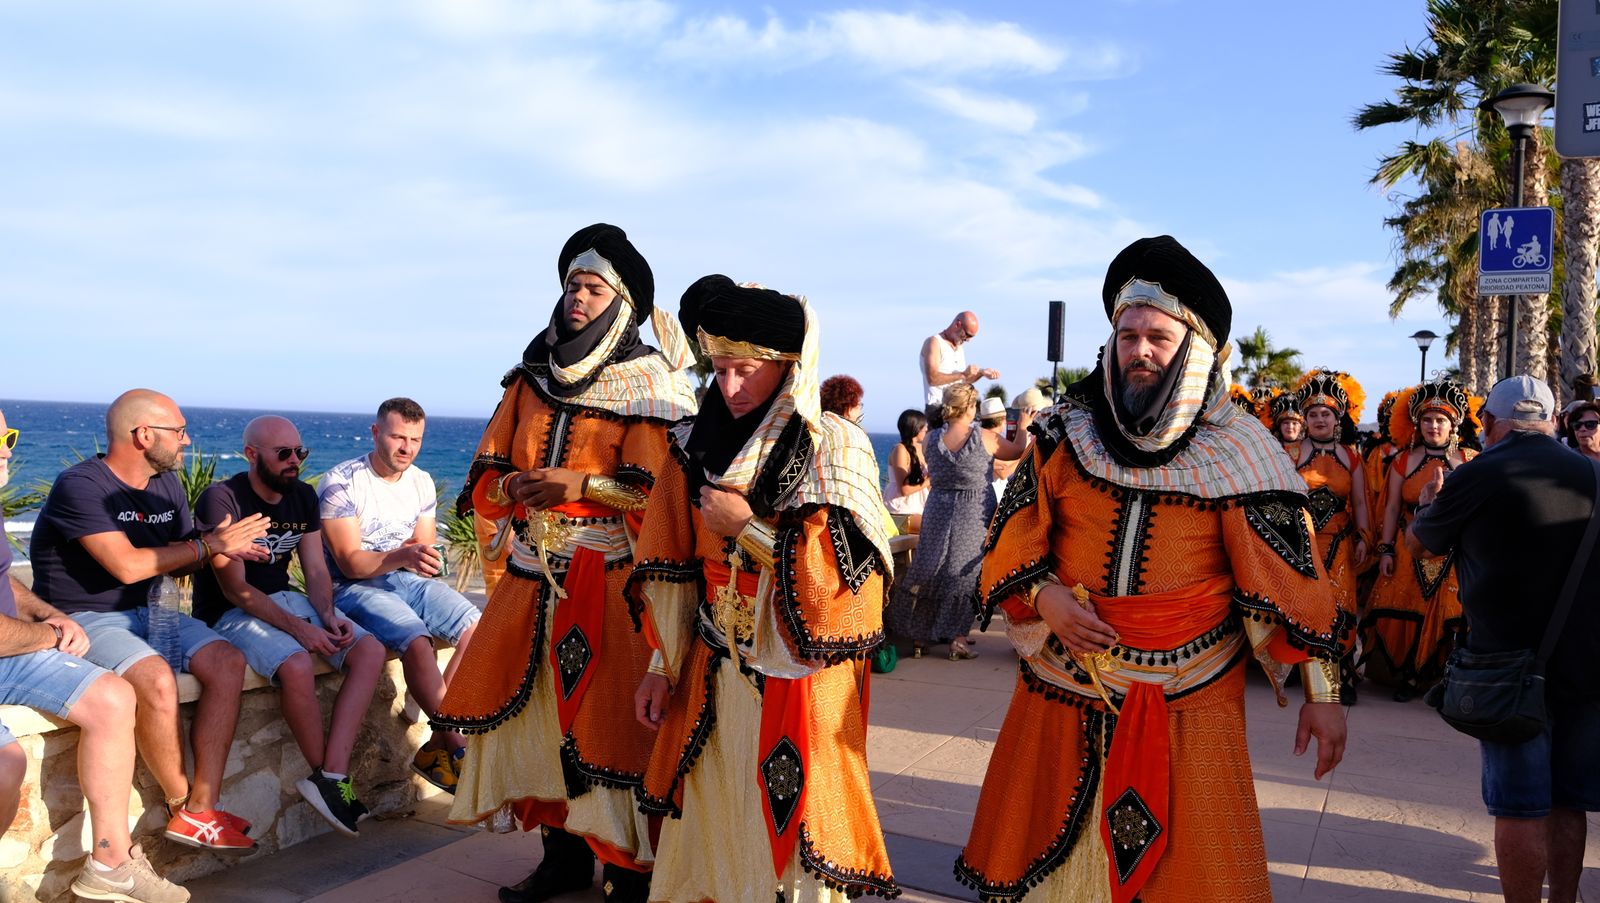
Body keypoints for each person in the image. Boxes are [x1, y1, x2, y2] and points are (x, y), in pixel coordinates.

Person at [957, 236, 1347, 902]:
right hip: (1062, 688)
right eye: (1127, 332)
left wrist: (1324, 695)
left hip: (1191, 699)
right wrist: (1045, 596)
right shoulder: (1062, 433)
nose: (1139, 349)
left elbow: (1294, 582)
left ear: (1194, 349)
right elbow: (1010, 535)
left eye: (1158, 337)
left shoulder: (1244, 451)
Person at [431, 224, 696, 903]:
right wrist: (514, 488)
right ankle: (564, 857)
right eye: (573, 285)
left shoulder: (649, 385)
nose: (578, 296)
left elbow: (663, 496)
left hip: (608, 584)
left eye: (593, 287)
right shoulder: (529, 379)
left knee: (608, 727)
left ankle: (631, 871)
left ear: (622, 303)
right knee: (540, 725)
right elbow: (487, 470)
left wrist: (581, 487)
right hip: (531, 578)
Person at [630, 275, 899, 901]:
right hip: (712, 665)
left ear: (786, 365)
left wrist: (744, 528)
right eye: (719, 370)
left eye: (746, 369)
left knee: (797, 817)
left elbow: (848, 584)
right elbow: (672, 569)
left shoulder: (836, 445)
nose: (729, 387)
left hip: (802, 676)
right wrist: (658, 663)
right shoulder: (692, 442)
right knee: (716, 808)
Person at [29, 389, 268, 854]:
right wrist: (209, 546)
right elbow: (128, 566)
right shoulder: (80, 485)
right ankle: (184, 806)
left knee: (227, 660)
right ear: (143, 435)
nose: (186, 440)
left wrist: (220, 546)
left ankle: (203, 806)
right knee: (157, 680)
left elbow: (178, 559)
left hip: (151, 611)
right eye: (178, 431)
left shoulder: (167, 484)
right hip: (85, 616)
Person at [1403, 375, 1600, 903]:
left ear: (1489, 423)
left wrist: (1427, 504)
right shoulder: (1594, 473)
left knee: (1520, 806)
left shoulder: (1478, 472)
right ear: (1555, 420)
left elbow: (1419, 547)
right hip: (1586, 666)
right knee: (1567, 802)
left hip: (1504, 667)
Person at [0, 411, 190, 902]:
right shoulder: (80, 484)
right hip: (10, 645)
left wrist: (47, 614)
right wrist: (44, 636)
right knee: (5, 766)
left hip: (14, 646)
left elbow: (5, 582)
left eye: (10, 435)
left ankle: (110, 864)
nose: (7, 447)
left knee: (112, 697)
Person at [193, 415, 388, 836]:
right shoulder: (221, 500)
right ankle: (329, 780)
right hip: (230, 614)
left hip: (286, 598)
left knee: (368, 650)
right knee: (297, 664)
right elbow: (236, 591)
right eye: (283, 453)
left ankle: (331, 778)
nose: (294, 460)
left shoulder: (302, 496)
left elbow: (316, 571)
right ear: (251, 454)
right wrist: (303, 630)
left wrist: (328, 615)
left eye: (300, 452)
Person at [319, 397, 482, 793]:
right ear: (376, 433)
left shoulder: (421, 481)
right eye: (397, 437)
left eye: (415, 439)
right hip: (351, 586)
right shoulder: (341, 483)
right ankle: (455, 746)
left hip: (402, 576)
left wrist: (417, 558)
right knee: (416, 640)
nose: (407, 448)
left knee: (478, 628)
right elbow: (351, 563)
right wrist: (406, 554)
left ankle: (439, 732)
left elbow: (422, 548)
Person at [885, 384, 1032, 661]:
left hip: (939, 507)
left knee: (930, 567)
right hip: (974, 510)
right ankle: (958, 639)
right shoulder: (985, 437)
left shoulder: (929, 439)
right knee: (964, 574)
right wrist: (1023, 425)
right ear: (971, 407)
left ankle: (920, 636)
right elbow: (1016, 453)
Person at [1361, 377, 1478, 702]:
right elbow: (1391, 508)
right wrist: (1385, 550)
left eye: (1440, 420)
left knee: (1452, 613)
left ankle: (1441, 679)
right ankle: (1405, 676)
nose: (1433, 426)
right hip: (1407, 545)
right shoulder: (1403, 460)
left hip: (1454, 551)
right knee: (1396, 606)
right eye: (1427, 419)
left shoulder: (1470, 459)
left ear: (1453, 424)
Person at [1292, 370, 1372, 704]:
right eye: (1313, 414)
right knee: (1306, 608)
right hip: (1302, 543)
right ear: (1305, 419)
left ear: (1337, 417)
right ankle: (1305, 673)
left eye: (1326, 413)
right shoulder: (1291, 454)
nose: (1320, 419)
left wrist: (1366, 538)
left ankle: (1341, 676)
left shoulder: (1351, 457)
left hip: (1339, 544)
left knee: (1341, 609)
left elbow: (1361, 501)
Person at [920, 311, 999, 425]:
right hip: (938, 410)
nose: (968, 340)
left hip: (958, 409)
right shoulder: (934, 343)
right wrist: (963, 374)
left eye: (972, 337)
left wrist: (981, 373)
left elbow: (962, 381)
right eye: (967, 334)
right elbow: (932, 379)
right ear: (957, 324)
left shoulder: (959, 347)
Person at [884, 409, 930, 532]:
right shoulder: (900, 450)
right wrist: (930, 480)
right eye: (923, 425)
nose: (926, 428)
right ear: (915, 427)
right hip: (901, 510)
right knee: (934, 528)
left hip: (919, 507)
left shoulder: (921, 448)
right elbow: (904, 489)